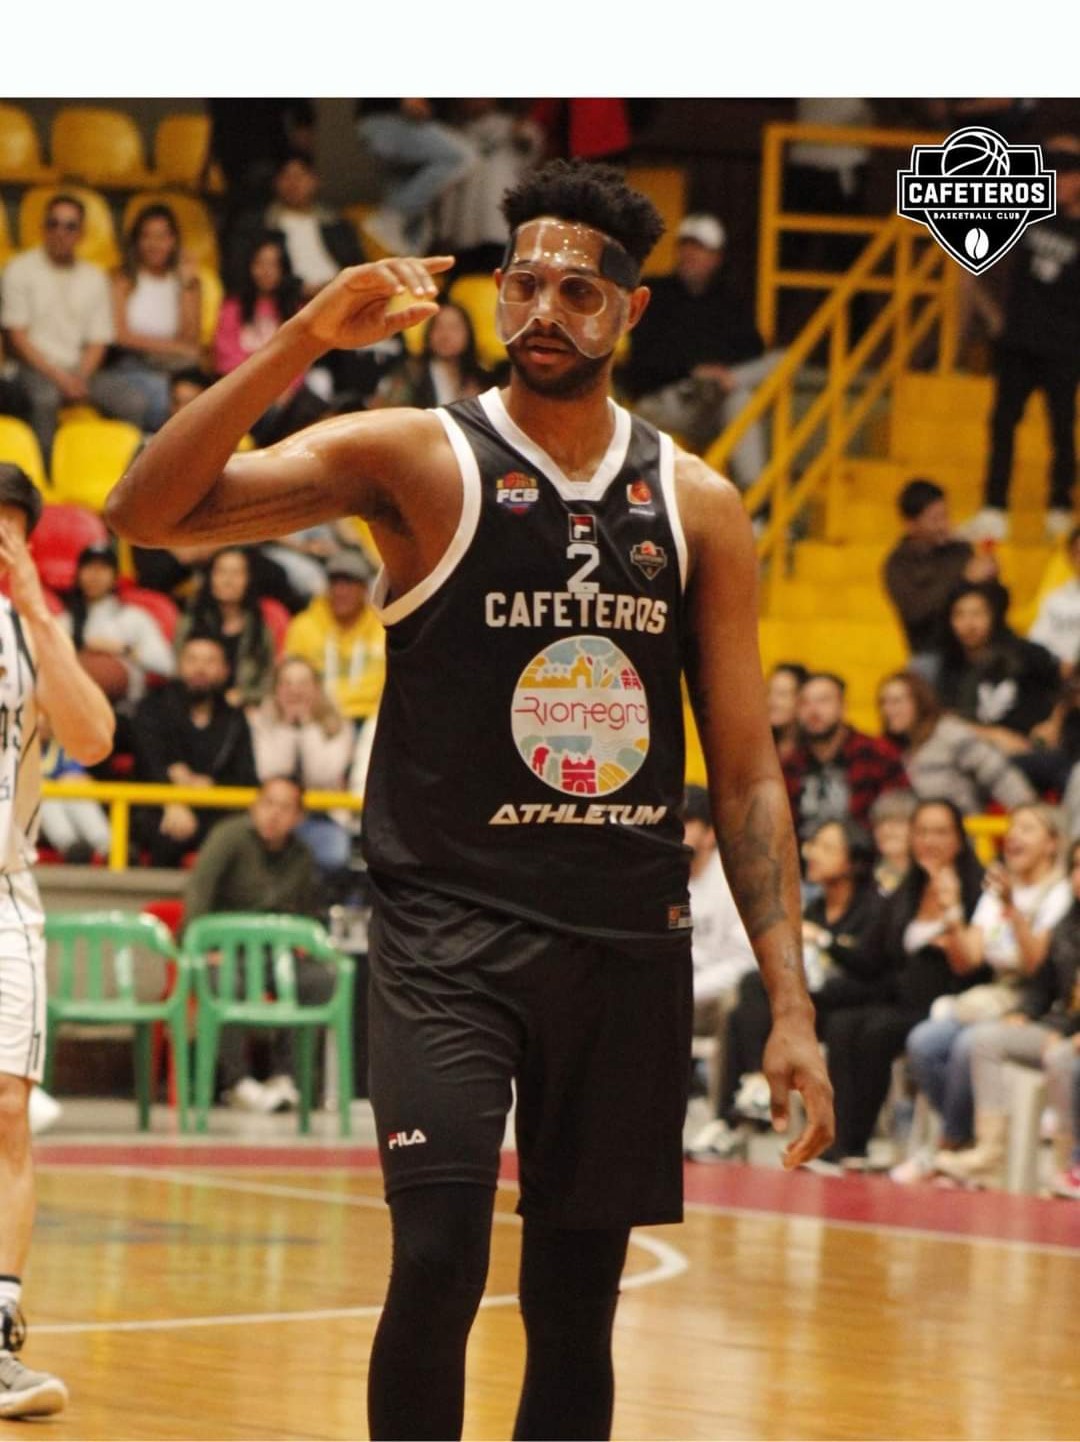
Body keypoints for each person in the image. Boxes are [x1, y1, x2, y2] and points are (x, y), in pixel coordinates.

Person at [105, 158, 833, 1442]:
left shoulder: (699, 505)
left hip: (621, 938)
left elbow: (748, 772)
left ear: (631, 311)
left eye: (578, 291)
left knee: (577, 1304)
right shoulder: (417, 454)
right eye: (523, 283)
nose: (543, 308)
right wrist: (304, 336)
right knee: (437, 1257)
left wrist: (792, 1006)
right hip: (448, 930)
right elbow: (144, 512)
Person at [0, 462, 115, 1415]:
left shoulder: (30, 635)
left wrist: (39, 611)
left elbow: (95, 736)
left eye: (9, 532)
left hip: (3, 892)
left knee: (6, 1108)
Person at [688, 818, 882, 1163]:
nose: (812, 854)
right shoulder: (814, 907)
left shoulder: (874, 908)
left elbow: (873, 967)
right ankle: (740, 1103)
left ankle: (750, 1097)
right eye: (814, 845)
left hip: (852, 1003)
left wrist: (826, 941)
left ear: (853, 861)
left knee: (762, 1001)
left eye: (826, 848)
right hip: (813, 1002)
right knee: (746, 997)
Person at [898, 803, 1069, 1182]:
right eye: (1013, 828)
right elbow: (966, 961)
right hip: (993, 994)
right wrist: (952, 910)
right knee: (924, 1041)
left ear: (1052, 843)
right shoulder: (997, 887)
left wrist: (1012, 909)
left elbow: (1038, 968)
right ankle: (962, 1140)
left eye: (1027, 828)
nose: (1014, 836)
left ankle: (951, 1146)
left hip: (1032, 1000)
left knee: (967, 1044)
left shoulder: (1060, 893)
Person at [822, 798, 986, 1167]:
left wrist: (952, 914)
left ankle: (853, 1142)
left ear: (959, 839)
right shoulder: (907, 890)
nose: (930, 840)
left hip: (947, 1005)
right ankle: (841, 1141)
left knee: (876, 1030)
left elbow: (976, 967)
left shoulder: (976, 890)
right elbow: (871, 958)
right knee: (842, 1024)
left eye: (940, 832)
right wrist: (824, 941)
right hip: (899, 1001)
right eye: (922, 831)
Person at [935, 834, 1080, 1188]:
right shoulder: (1069, 922)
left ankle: (1069, 1164)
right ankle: (990, 1154)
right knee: (984, 1040)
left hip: (1069, 1037)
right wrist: (1027, 1012)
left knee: (1062, 1058)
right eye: (1076, 866)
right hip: (1059, 1026)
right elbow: (1043, 982)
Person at [183, 775, 330, 1113]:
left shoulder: (302, 856)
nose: (274, 814)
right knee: (226, 982)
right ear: (254, 806)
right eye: (268, 803)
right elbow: (197, 896)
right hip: (223, 954)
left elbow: (307, 916)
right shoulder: (228, 837)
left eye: (285, 808)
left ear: (299, 817)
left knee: (320, 980)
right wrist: (206, 948)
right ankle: (235, 1082)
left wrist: (307, 948)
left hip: (274, 957)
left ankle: (289, 1078)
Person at [967, 136, 1080, 544]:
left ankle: (1060, 507)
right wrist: (992, 317)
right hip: (1018, 341)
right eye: (1056, 173)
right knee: (1002, 423)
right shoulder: (1031, 212)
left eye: (1069, 174)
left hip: (1064, 347)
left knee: (1062, 427)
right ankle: (994, 506)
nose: (1060, 181)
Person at [624, 214, 782, 489]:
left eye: (700, 248)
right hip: (665, 399)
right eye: (686, 246)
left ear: (716, 258)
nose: (691, 254)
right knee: (736, 394)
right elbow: (644, 358)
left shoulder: (728, 302)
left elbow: (752, 350)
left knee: (770, 371)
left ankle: (755, 497)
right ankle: (757, 498)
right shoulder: (654, 293)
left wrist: (723, 375)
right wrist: (694, 369)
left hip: (713, 398)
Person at [0, 193, 146, 461]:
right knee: (45, 399)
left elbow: (98, 340)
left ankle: (127, 477)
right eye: (53, 223)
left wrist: (78, 378)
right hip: (33, 369)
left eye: (70, 226)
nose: (60, 232)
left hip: (81, 370)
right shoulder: (18, 270)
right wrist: (61, 379)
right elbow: (17, 338)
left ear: (81, 233)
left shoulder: (95, 277)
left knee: (133, 401)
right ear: (43, 228)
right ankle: (44, 478)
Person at [131, 632, 258, 867]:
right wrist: (171, 801)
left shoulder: (234, 719)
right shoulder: (152, 707)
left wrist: (211, 786)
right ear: (179, 666)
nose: (200, 669)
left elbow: (246, 777)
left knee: (235, 836)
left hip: (215, 812)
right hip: (158, 807)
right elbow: (148, 761)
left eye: (210, 661)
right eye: (192, 659)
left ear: (225, 670)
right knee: (161, 833)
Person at [213, 234, 327, 447]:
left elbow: (300, 357)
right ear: (249, 266)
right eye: (260, 263)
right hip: (241, 393)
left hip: (285, 395)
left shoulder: (297, 311)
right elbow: (225, 357)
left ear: (284, 269)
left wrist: (284, 389)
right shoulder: (232, 307)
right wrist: (261, 388)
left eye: (273, 265)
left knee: (314, 409)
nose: (266, 271)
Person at [247, 656, 358, 874]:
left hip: (323, 816)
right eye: (286, 683)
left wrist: (307, 726)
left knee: (333, 855)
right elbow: (270, 773)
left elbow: (322, 776)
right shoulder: (261, 722)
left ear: (317, 688)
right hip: (273, 813)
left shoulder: (339, 725)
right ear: (276, 689)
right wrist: (287, 728)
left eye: (303, 683)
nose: (294, 691)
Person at [882, 478, 1001, 681]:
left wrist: (990, 577)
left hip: (973, 646)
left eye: (945, 515)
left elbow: (987, 600)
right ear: (911, 525)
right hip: (930, 650)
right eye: (934, 519)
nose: (943, 525)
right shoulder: (898, 564)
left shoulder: (960, 549)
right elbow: (916, 612)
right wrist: (964, 579)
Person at [877, 670, 1036, 814]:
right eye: (883, 703)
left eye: (896, 701)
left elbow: (999, 774)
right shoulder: (896, 749)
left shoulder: (950, 734)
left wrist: (1027, 815)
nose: (888, 710)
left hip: (964, 830)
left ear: (919, 701)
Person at [935, 580, 1061, 762]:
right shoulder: (950, 665)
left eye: (977, 614)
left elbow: (1066, 690)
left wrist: (1055, 723)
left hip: (1038, 751)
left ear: (994, 615)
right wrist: (994, 735)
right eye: (959, 615)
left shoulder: (1027, 654)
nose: (968, 624)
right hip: (980, 755)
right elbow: (945, 720)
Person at [108, 202, 202, 431]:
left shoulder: (186, 282)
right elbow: (120, 335)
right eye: (147, 236)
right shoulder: (123, 279)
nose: (154, 244)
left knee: (195, 392)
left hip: (174, 366)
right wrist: (174, 348)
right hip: (130, 364)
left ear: (173, 241)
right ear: (137, 241)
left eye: (162, 237)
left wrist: (187, 285)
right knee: (165, 396)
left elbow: (190, 340)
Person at [782, 671, 909, 841]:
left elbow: (899, 814)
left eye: (823, 700)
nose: (813, 710)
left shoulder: (876, 753)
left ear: (843, 706)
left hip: (863, 852)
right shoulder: (791, 764)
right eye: (805, 703)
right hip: (805, 852)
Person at [282, 550, 385, 724]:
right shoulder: (303, 626)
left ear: (365, 589)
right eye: (335, 583)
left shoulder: (383, 627)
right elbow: (289, 681)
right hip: (318, 718)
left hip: (372, 718)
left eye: (349, 583)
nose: (340, 592)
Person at [174, 546, 276, 707]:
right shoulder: (191, 621)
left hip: (244, 708)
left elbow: (267, 681)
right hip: (192, 704)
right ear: (210, 577)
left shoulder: (259, 629)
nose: (228, 580)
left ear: (248, 580)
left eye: (236, 573)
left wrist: (245, 696)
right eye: (221, 572)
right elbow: (176, 670)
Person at [371, 302, 491, 410]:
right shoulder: (411, 372)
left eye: (454, 327)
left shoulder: (479, 380)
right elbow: (383, 412)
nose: (445, 335)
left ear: (468, 334)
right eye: (439, 327)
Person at [1028, 522, 1080, 674]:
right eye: (1079, 552)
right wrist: (1057, 665)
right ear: (1070, 557)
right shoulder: (1056, 599)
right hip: (1058, 677)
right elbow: (1037, 642)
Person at [766, 661, 807, 764]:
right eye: (768, 692)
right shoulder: (760, 743)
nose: (771, 701)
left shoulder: (817, 745)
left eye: (782, 694)